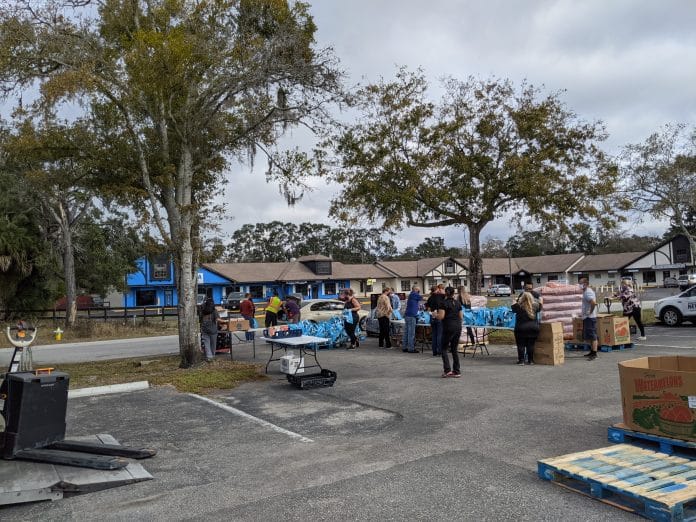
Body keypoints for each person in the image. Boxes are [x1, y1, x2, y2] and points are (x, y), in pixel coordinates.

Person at [432, 286, 462, 377]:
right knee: (454, 349)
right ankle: (457, 371)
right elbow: (461, 316)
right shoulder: (457, 303)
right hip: (458, 326)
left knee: (444, 348)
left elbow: (441, 316)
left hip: (448, 327)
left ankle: (447, 370)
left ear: (446, 293)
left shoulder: (443, 303)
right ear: (454, 293)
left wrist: (434, 315)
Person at [511, 292, 541, 365]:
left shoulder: (518, 306)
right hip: (533, 328)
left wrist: (516, 299)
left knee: (521, 345)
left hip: (521, 328)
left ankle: (521, 361)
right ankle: (531, 360)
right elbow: (540, 304)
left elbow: (513, 304)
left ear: (522, 298)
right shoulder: (535, 306)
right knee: (531, 345)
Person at [579, 277, 599, 360]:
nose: (579, 285)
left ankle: (594, 354)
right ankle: (592, 351)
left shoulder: (588, 292)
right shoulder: (585, 292)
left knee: (592, 335)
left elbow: (593, 303)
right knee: (590, 336)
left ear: (586, 284)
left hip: (590, 317)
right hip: (587, 317)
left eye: (581, 283)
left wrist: (590, 312)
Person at [426, 285, 445, 356]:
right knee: (440, 334)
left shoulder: (430, 298)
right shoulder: (440, 296)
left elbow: (427, 307)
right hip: (439, 316)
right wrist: (442, 291)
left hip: (432, 316)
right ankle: (439, 351)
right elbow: (446, 296)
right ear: (437, 290)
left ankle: (434, 351)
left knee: (434, 334)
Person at [199, 297, 220, 362]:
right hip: (213, 329)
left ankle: (209, 356)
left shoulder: (202, 310)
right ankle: (212, 356)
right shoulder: (214, 310)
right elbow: (217, 319)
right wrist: (225, 321)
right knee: (213, 344)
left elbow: (200, 320)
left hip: (204, 329)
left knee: (206, 343)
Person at [403, 286, 422, 353]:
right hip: (412, 315)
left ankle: (404, 347)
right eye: (418, 290)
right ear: (415, 289)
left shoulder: (411, 295)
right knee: (411, 333)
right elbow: (422, 298)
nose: (419, 291)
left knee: (406, 332)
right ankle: (411, 348)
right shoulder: (414, 294)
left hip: (407, 315)